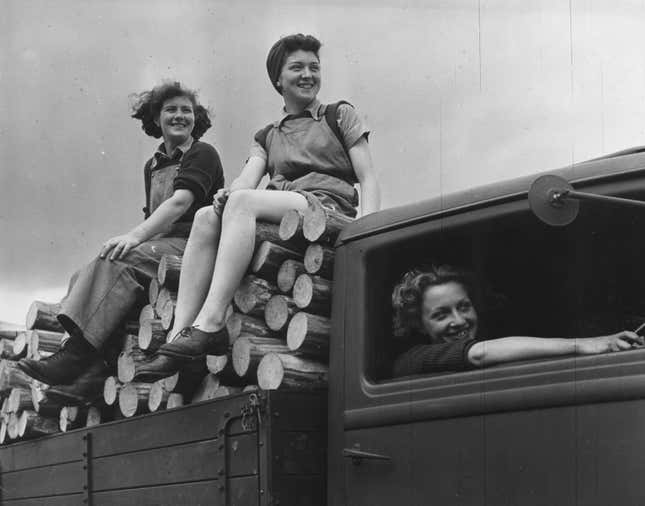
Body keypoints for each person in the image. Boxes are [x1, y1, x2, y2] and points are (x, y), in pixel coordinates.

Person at [135, 33, 381, 379]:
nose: (308, 74)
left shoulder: (338, 115)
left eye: (314, 67)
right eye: (297, 68)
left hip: (324, 208)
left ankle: (213, 319)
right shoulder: (267, 135)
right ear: (278, 79)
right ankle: (179, 335)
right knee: (207, 215)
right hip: (287, 208)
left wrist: (366, 232)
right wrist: (226, 195)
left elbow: (368, 177)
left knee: (242, 203)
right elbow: (246, 180)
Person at [18, 81, 225, 389]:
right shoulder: (152, 165)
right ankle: (95, 358)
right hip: (161, 246)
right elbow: (154, 216)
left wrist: (134, 236)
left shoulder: (202, 153)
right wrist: (138, 238)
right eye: (171, 110)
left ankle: (74, 358)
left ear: (197, 118)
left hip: (194, 247)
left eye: (187, 110)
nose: (179, 116)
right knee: (93, 266)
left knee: (122, 257)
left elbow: (180, 202)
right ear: (157, 119)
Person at [391, 265, 643, 377]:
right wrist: (586, 344)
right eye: (441, 314)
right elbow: (479, 354)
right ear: (419, 323)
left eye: (464, 307)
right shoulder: (412, 360)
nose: (459, 320)